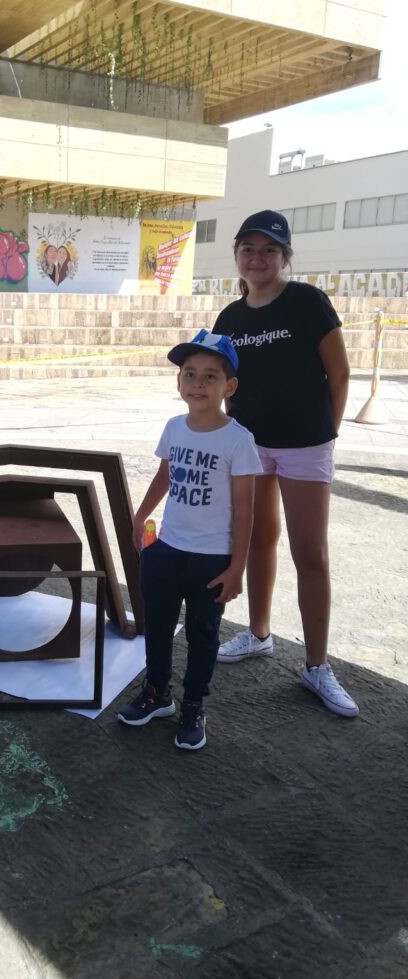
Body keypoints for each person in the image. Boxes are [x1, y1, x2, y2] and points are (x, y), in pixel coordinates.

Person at [213, 210, 358, 717]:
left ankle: (317, 665)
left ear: (285, 257)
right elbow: (218, 379)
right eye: (248, 249)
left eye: (269, 250)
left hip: (304, 446)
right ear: (236, 256)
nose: (258, 258)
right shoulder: (230, 317)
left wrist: (327, 433)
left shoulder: (307, 302)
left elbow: (339, 374)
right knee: (257, 539)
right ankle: (257, 634)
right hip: (251, 446)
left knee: (310, 554)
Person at [118, 330, 263, 750]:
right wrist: (142, 514)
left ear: (229, 386)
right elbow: (165, 475)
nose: (198, 384)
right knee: (158, 628)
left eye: (210, 377)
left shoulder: (238, 440)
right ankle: (156, 693)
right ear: (178, 381)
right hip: (167, 549)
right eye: (189, 374)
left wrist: (237, 568)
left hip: (211, 558)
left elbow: (246, 510)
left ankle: (194, 704)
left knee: (203, 635)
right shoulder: (173, 428)